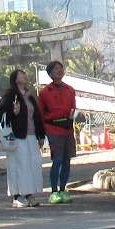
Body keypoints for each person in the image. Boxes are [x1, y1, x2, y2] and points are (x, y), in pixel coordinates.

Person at [0, 68, 44, 208]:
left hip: (31, 134)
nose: (24, 75)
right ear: (15, 78)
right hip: (17, 135)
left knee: (31, 164)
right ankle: (17, 196)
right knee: (18, 164)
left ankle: (29, 194)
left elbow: (37, 117)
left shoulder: (29, 95)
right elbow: (2, 114)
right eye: (21, 74)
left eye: (25, 73)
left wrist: (40, 135)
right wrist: (13, 111)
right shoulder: (10, 95)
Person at [36, 59, 78, 204]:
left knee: (67, 160)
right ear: (50, 74)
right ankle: (54, 191)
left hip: (68, 128)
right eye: (55, 69)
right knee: (57, 160)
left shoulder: (70, 90)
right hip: (53, 129)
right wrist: (41, 134)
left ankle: (63, 189)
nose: (59, 71)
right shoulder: (44, 93)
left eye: (61, 68)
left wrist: (71, 121)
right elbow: (40, 114)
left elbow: (73, 108)